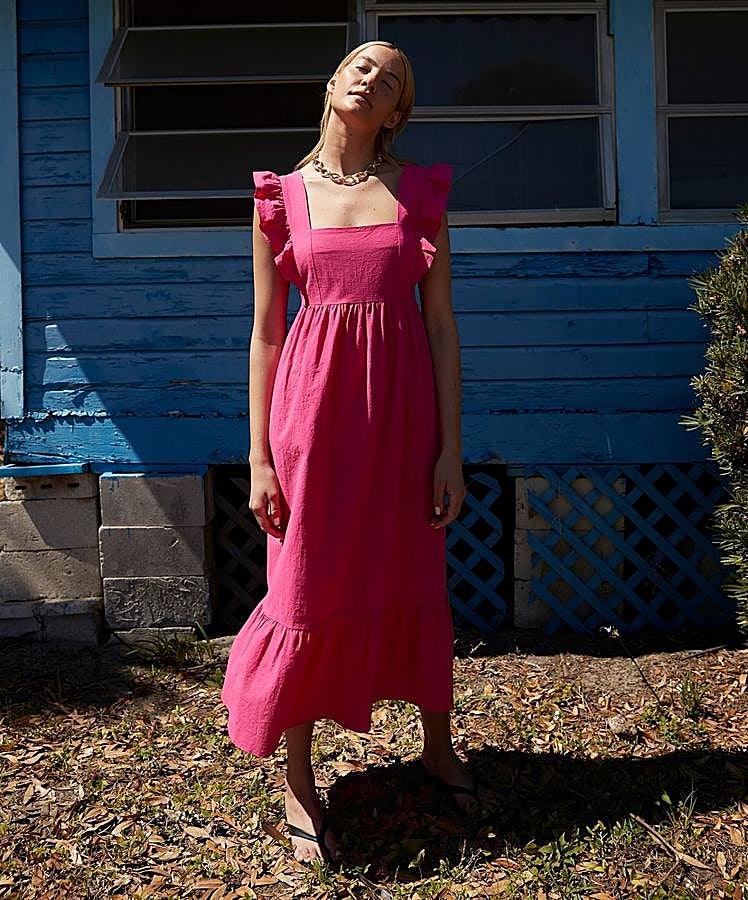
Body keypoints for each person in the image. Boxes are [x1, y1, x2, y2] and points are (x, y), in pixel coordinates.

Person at [221, 39, 492, 867]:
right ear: (335, 82)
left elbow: (440, 326)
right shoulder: (280, 199)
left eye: (392, 77)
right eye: (363, 65)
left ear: (397, 112)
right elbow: (266, 334)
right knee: (306, 588)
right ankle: (299, 780)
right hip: (312, 424)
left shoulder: (419, 195)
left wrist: (450, 450)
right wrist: (259, 457)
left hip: (403, 422)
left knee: (413, 573)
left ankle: (437, 748)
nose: (373, 77)